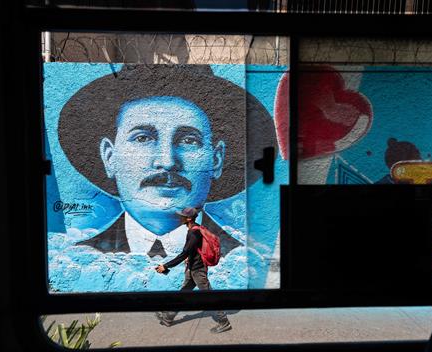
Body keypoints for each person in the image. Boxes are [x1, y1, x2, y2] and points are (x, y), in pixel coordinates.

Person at [57, 64, 275, 261]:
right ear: (109, 156)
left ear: (216, 159)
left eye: (189, 140)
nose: (167, 161)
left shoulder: (236, 257)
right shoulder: (83, 258)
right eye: (143, 138)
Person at [154, 207, 232, 334]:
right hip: (192, 268)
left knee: (209, 296)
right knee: (184, 292)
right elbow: (193, 250)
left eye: (182, 216)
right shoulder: (195, 229)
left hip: (198, 270)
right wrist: (190, 258)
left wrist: (166, 266)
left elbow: (184, 253)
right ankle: (168, 317)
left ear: (188, 218)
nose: (180, 217)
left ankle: (224, 322)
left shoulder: (193, 232)